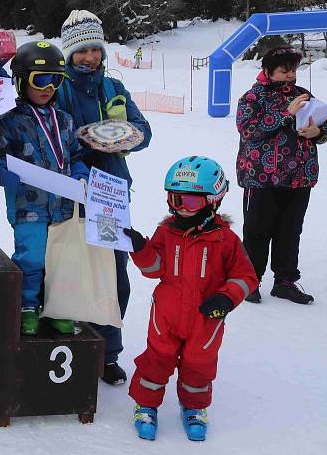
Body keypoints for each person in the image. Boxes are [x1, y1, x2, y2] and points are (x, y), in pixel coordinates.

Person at [123, 156, 258, 442]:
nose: (182, 208)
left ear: (214, 201)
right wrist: (140, 248)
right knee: (156, 360)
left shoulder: (226, 240)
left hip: (206, 318)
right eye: (175, 199)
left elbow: (246, 277)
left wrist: (225, 299)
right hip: (167, 315)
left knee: (199, 363)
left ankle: (194, 408)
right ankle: (146, 404)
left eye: (192, 202)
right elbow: (154, 269)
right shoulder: (166, 232)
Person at [56, 9, 152, 385]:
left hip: (112, 193)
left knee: (113, 276)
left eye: (95, 49)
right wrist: (85, 138)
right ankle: (67, 342)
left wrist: (125, 132)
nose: (89, 57)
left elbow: (144, 131)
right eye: (81, 51)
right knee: (69, 270)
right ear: (69, 53)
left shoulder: (114, 88)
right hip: (70, 193)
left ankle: (108, 352)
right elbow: (57, 136)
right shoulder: (58, 86)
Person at [0, 41, 89, 335]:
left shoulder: (65, 121)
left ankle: (58, 306)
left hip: (62, 206)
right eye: (40, 79)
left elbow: (74, 154)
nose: (48, 87)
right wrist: (3, 173)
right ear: (21, 81)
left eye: (55, 79)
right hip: (28, 207)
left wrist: (82, 174)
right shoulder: (7, 122)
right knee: (32, 256)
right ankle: (28, 305)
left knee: (61, 258)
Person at [236, 46, 326, 305]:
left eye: (293, 70)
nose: (290, 76)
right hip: (262, 177)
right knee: (257, 231)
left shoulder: (303, 95)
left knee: (290, 231)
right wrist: (286, 113)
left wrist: (318, 133)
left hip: (299, 175)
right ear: (267, 71)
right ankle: (249, 281)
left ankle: (285, 282)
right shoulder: (253, 98)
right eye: (283, 71)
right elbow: (248, 130)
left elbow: (323, 121)